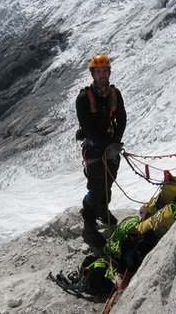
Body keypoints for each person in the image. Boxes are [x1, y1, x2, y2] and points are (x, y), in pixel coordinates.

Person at [76, 54, 127, 252]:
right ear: (93, 74)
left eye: (105, 71)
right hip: (95, 149)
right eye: (98, 71)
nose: (102, 75)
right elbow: (87, 128)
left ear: (109, 72)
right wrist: (108, 145)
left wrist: (115, 142)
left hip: (110, 147)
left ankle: (101, 210)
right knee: (96, 187)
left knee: (108, 182)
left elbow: (121, 119)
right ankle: (88, 222)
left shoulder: (115, 94)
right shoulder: (84, 97)